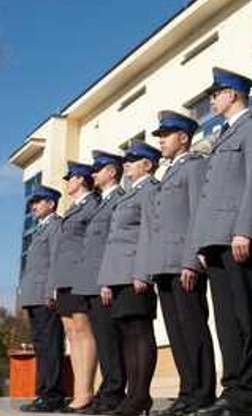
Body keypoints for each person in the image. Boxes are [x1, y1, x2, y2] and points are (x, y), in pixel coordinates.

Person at [191, 67, 252, 416]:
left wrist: (244, 228)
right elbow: (210, 194)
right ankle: (232, 387)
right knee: (225, 319)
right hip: (215, 240)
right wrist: (203, 244)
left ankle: (248, 392)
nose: (211, 100)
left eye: (216, 93)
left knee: (245, 314)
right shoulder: (221, 136)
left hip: (236, 235)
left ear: (233, 94)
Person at [137, 111, 216, 416]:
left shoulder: (194, 166)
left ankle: (202, 392)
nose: (160, 140)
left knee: (193, 326)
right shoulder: (169, 172)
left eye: (165, 135)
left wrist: (191, 260)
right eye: (158, 136)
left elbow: (198, 213)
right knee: (176, 330)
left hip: (182, 262)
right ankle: (188, 390)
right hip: (164, 265)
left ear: (183, 137)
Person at [98, 140, 161, 416]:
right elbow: (114, 241)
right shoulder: (129, 194)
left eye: (133, 160)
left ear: (147, 164)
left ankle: (140, 396)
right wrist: (107, 280)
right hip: (119, 275)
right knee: (127, 336)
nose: (127, 165)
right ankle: (133, 397)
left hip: (136, 272)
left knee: (140, 333)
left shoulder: (149, 190)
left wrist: (142, 272)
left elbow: (150, 232)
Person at [75, 150, 128, 414]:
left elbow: (114, 243)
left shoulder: (120, 199)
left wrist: (107, 279)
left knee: (110, 339)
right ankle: (107, 390)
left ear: (112, 172)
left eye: (98, 169)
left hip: (106, 280)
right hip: (93, 280)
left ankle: (114, 391)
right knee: (103, 338)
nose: (93, 174)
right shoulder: (101, 202)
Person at [51, 161, 102, 412]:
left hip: (80, 277)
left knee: (83, 330)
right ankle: (79, 392)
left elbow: (91, 244)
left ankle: (85, 391)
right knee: (71, 334)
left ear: (81, 179)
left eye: (70, 178)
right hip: (64, 278)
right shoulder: (73, 207)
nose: (68, 182)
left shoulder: (92, 204)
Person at [19, 185, 66, 413]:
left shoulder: (56, 226)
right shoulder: (40, 229)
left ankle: (53, 395)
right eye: (32, 203)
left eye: (38, 201)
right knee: (41, 347)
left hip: (45, 297)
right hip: (33, 296)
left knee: (50, 346)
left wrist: (52, 291)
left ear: (51, 204)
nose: (34, 206)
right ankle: (43, 393)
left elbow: (57, 261)